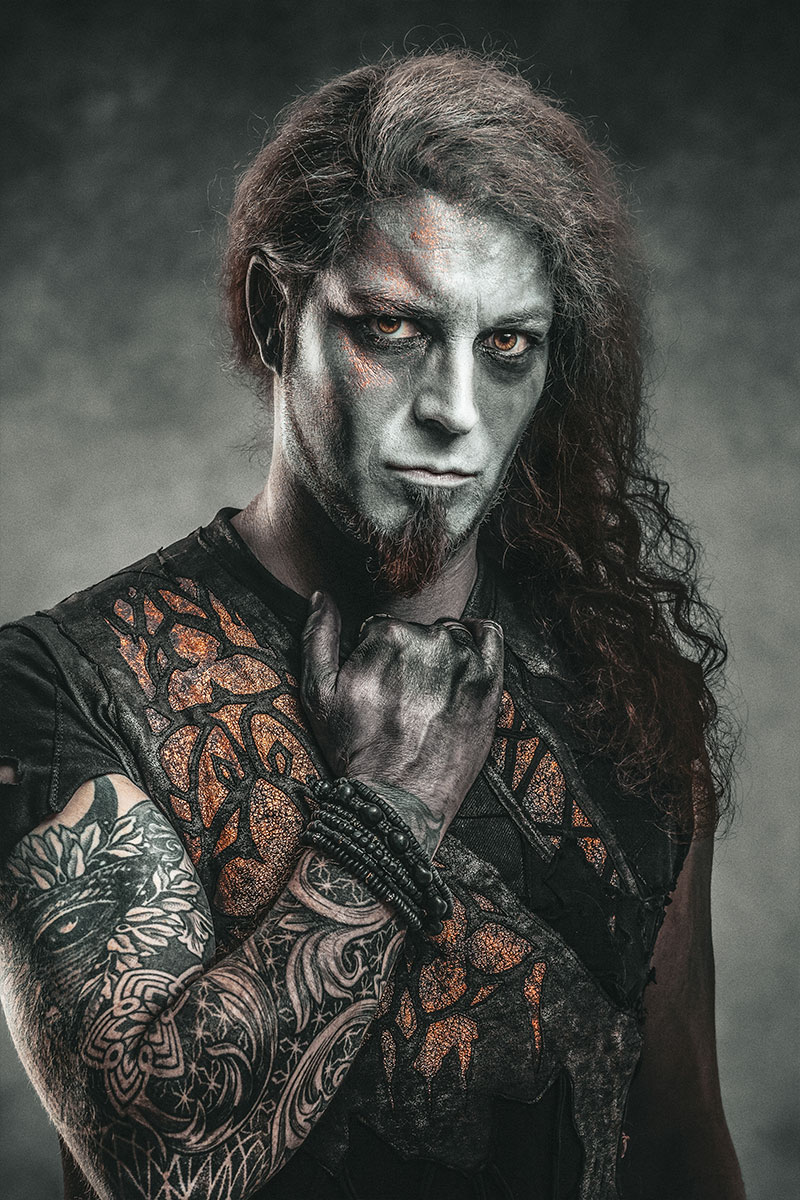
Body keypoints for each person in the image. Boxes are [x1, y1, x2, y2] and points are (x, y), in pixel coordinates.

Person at [0, 49, 746, 1200]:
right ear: (274, 313)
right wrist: (388, 815)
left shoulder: (617, 683)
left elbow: (678, 1137)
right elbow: (162, 1173)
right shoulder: (70, 683)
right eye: (393, 329)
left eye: (506, 345)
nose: (455, 411)